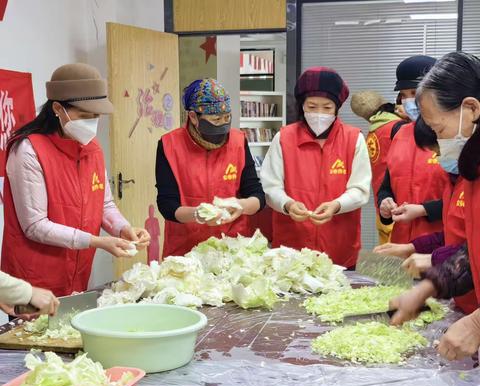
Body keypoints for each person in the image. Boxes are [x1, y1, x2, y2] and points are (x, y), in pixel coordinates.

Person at [2, 63, 150, 297]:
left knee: (68, 332)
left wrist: (123, 229)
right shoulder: (28, 150)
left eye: (96, 116)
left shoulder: (92, 148)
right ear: (58, 108)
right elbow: (34, 225)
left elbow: (104, 204)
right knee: (29, 334)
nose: (91, 122)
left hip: (76, 273)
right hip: (32, 279)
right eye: (84, 115)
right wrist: (96, 241)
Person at [388, 52, 480, 361]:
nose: (440, 145)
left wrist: (477, 323)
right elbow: (472, 252)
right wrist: (425, 290)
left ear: (471, 109)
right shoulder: (472, 171)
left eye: (439, 130)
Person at [260, 67, 371, 268]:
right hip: (291, 249)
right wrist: (288, 204)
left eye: (327, 108)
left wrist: (336, 205)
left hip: (338, 248)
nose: (319, 113)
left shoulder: (354, 139)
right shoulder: (284, 138)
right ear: (302, 106)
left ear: (337, 108)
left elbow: (360, 189)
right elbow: (271, 187)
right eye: (312, 106)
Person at [375, 116, 476, 314]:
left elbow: (473, 251)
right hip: (461, 296)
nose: (438, 158)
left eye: (438, 149)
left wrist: (433, 258)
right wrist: (411, 247)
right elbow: (451, 234)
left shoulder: (471, 182)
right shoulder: (453, 182)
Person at [155, 78, 265, 257]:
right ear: (193, 117)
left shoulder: (238, 141)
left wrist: (241, 205)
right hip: (186, 250)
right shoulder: (169, 145)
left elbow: (257, 195)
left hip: (232, 248)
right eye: (215, 119)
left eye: (227, 117)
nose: (223, 125)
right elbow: (167, 204)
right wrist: (198, 215)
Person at [377, 55, 449, 244]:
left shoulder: (451, 136)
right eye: (403, 94)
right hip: (401, 244)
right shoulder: (400, 133)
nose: (409, 101)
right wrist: (384, 204)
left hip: (442, 245)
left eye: (414, 92)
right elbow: (387, 186)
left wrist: (424, 210)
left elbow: (464, 199)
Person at [351, 90, 406, 244]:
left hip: (382, 202)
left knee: (386, 257)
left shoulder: (372, 132)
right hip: (399, 204)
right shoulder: (399, 127)